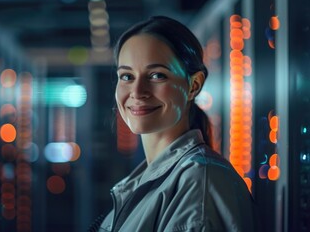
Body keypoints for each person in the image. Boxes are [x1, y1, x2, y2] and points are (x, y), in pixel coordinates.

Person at [97, 16, 257, 232]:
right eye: (126, 76)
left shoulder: (200, 184)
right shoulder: (152, 179)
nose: (137, 92)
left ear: (194, 85)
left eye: (156, 75)